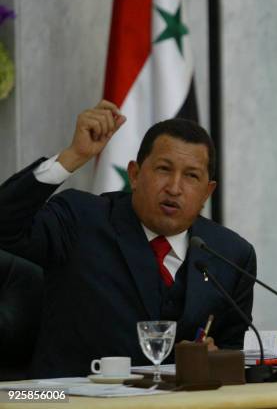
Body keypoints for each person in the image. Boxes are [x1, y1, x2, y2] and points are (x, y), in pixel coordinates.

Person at [0, 101, 256, 378]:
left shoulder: (230, 255)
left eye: (191, 176)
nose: (174, 187)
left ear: (207, 192)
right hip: (68, 401)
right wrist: (72, 156)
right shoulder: (80, 219)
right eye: (163, 169)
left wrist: (214, 358)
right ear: (134, 175)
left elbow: (234, 351)